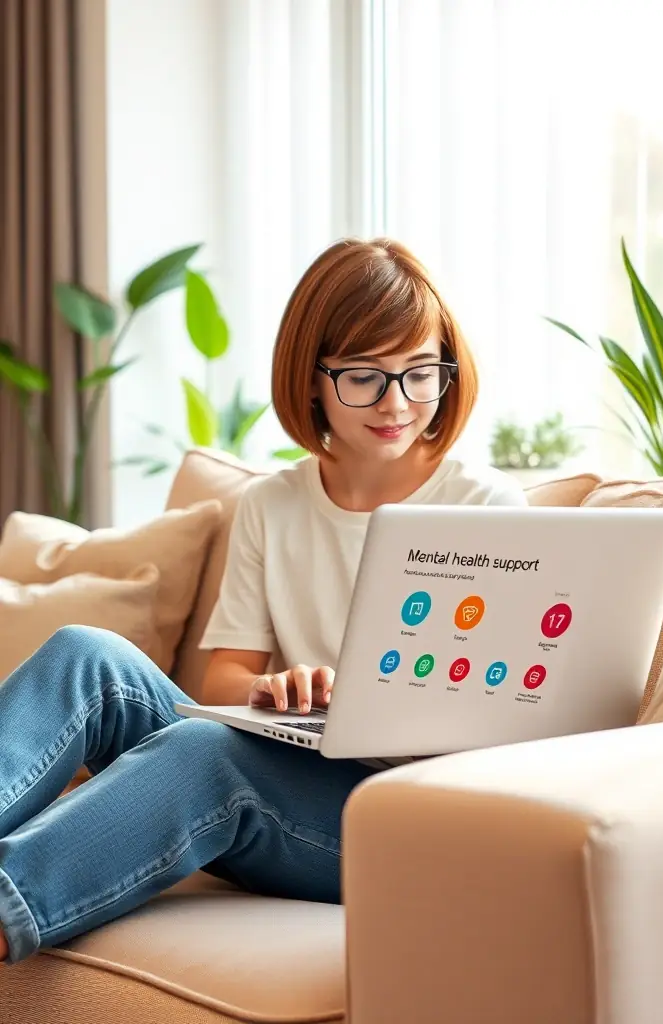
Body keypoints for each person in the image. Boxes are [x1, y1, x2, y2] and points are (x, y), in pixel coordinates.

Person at [0, 237, 526, 964]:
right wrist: (279, 692)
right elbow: (223, 684)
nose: (397, 403)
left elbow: (511, 715)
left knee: (204, 752)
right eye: (366, 378)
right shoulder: (273, 504)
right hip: (295, 764)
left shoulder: (488, 506)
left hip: (401, 817)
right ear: (312, 380)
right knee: (84, 656)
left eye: (420, 373)